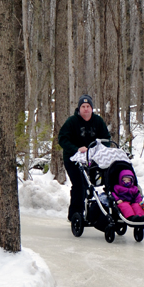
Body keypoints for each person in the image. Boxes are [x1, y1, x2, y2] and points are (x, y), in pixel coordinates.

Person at [58, 94, 110, 222]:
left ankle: (102, 211)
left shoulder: (98, 121)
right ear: (79, 108)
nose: (86, 109)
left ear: (91, 108)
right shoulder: (71, 122)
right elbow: (62, 139)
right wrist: (76, 149)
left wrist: (98, 149)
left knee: (97, 183)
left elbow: (106, 139)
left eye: (88, 106)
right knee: (79, 185)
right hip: (73, 158)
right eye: (83, 106)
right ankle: (76, 214)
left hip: (93, 158)